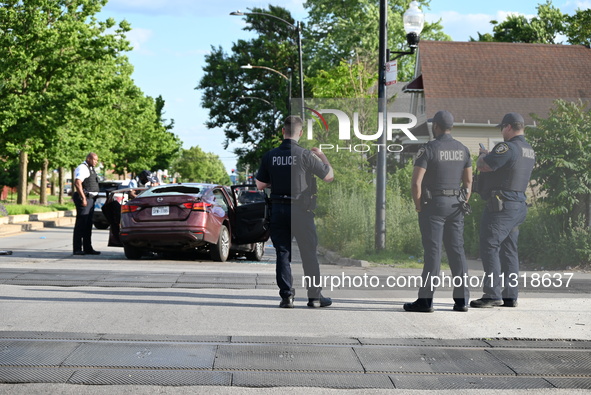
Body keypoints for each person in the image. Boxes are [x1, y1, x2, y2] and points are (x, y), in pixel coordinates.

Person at [255, 116, 334, 308]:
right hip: (301, 210)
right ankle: (315, 297)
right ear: (300, 133)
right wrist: (322, 156)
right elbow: (329, 176)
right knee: (309, 254)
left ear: (283, 131)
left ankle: (287, 297)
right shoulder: (306, 155)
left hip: (278, 210)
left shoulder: (270, 155)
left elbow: (259, 185)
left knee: (282, 253)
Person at [404, 110, 472, 313]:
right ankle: (462, 301)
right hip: (455, 206)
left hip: (434, 206)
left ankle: (426, 301)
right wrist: (462, 201)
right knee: (457, 253)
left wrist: (418, 206)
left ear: (436, 127)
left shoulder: (429, 149)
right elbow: (468, 182)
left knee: (433, 254)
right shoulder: (463, 149)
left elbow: (416, 183)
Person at [470, 112, 535, 308]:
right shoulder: (528, 149)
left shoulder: (507, 147)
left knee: (490, 246)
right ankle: (510, 296)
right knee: (509, 251)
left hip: (501, 206)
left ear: (508, 127)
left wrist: (483, 155)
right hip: (518, 206)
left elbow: (485, 166)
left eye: (502, 128)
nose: (502, 132)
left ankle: (491, 294)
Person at [72, 152, 101, 256]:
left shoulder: (91, 168)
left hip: (91, 199)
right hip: (85, 198)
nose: (96, 162)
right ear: (88, 159)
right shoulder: (83, 168)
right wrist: (83, 198)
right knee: (81, 224)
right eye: (94, 160)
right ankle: (77, 248)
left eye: (97, 160)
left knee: (88, 224)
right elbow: (77, 182)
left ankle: (88, 248)